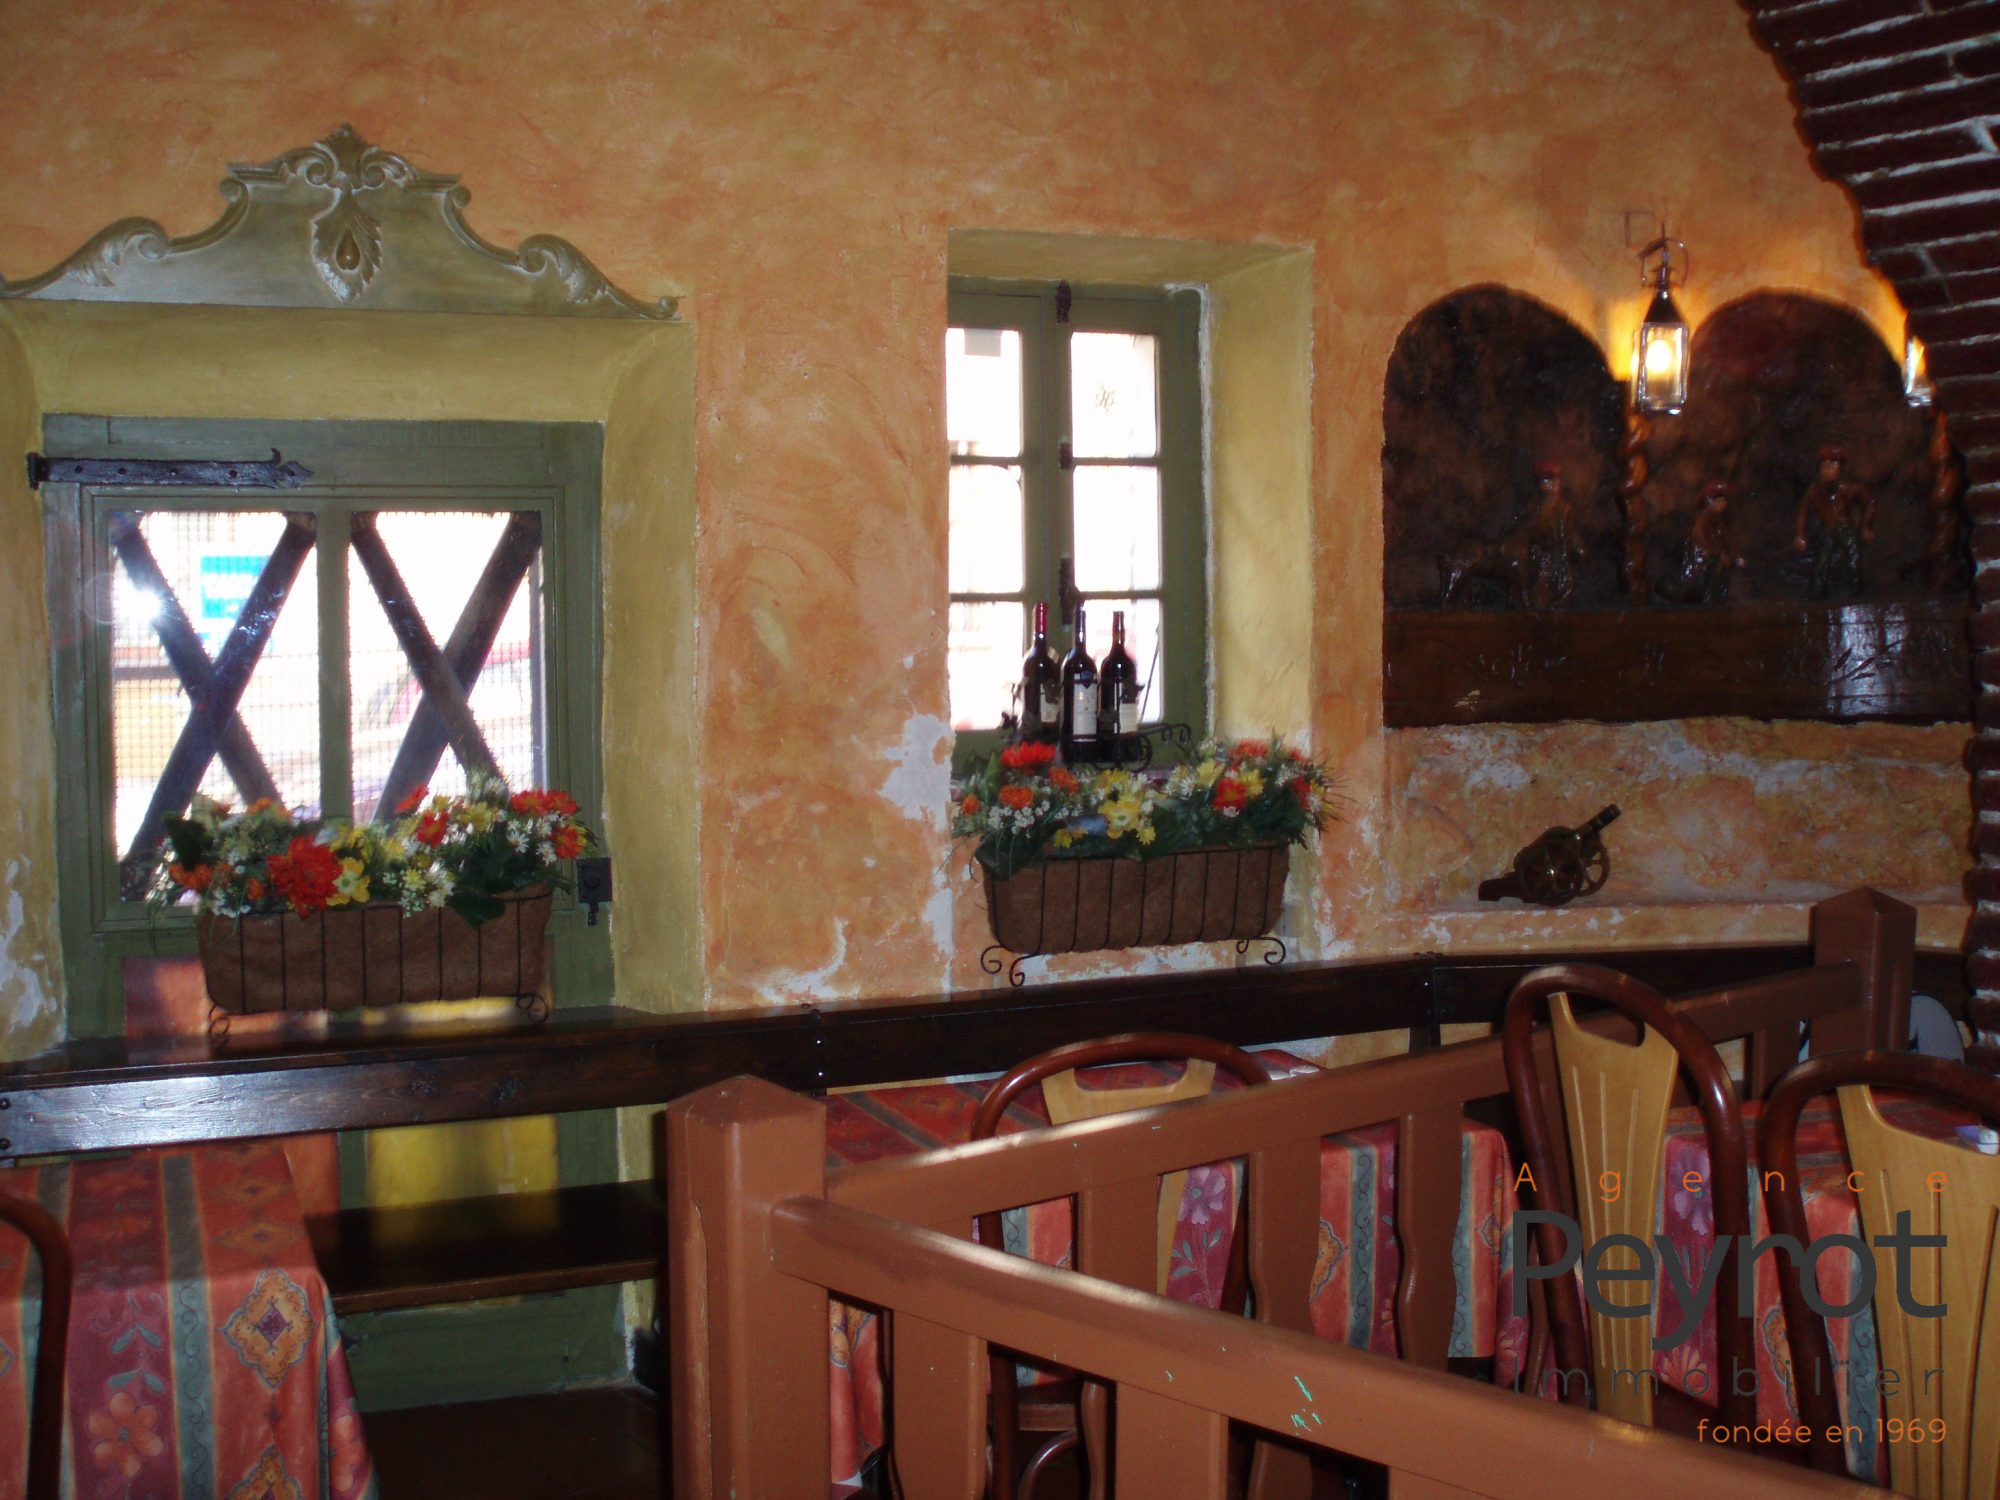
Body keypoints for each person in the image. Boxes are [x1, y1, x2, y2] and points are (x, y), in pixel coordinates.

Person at [1791, 446, 1874, 598]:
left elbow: (1868, 502)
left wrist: (1865, 526)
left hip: (1846, 528)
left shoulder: (1848, 488)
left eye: (1833, 465)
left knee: (1854, 557)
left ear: (1840, 469)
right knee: (1821, 560)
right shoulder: (1814, 490)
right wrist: (1799, 535)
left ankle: (1856, 591)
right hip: (1827, 528)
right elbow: (1802, 513)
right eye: (1825, 465)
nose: (1828, 470)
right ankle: (1817, 592)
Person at [1657, 480, 1743, 604]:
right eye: (1719, 500)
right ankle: (1708, 596)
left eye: (1724, 501)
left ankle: (1713, 596)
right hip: (1700, 558)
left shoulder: (1717, 521)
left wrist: (1735, 555)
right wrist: (1713, 551)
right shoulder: (1702, 519)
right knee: (1717, 564)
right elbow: (1698, 537)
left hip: (1710, 555)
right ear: (1710, 501)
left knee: (1723, 563)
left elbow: (1724, 539)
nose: (1723, 504)